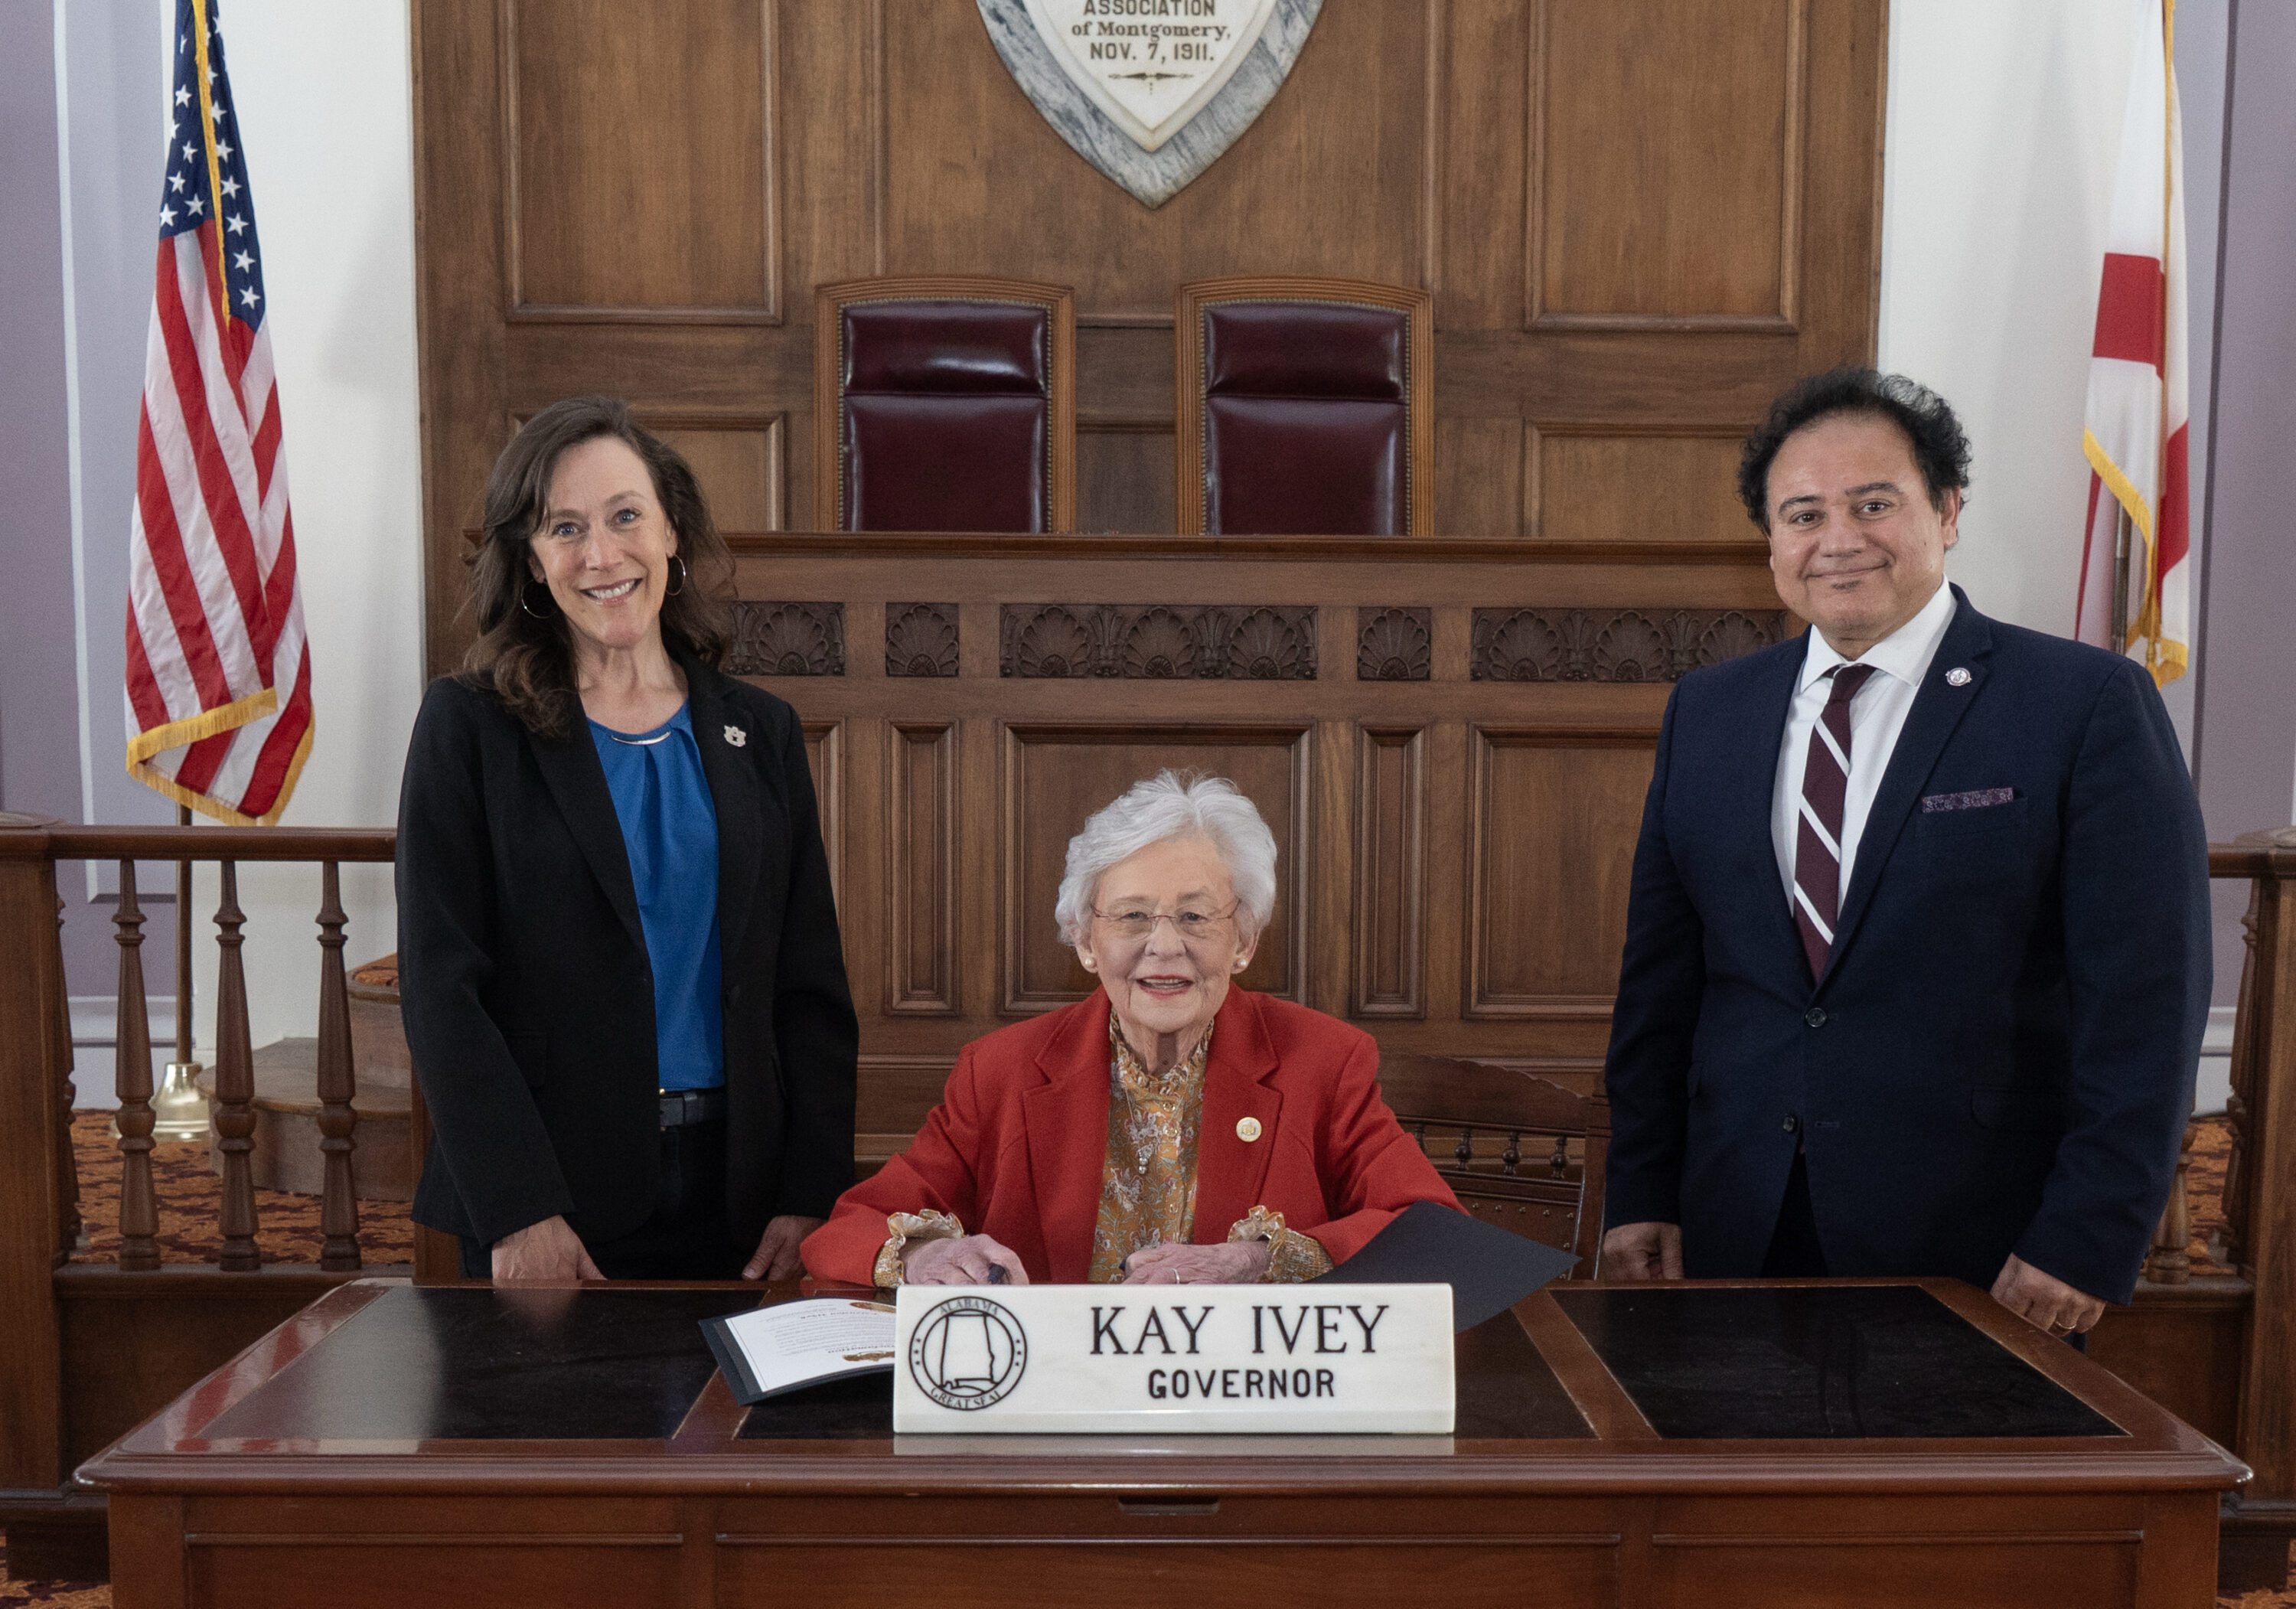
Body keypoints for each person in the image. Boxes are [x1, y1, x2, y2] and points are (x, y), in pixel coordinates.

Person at [1599, 368, 2210, 1341]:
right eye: (1803, 514)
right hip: (1736, 1228)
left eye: (1873, 503)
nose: (1838, 539)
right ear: (1771, 542)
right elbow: (1660, 991)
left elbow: (2146, 1002)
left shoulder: (2082, 704)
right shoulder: (1707, 713)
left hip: (1985, 1247)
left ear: (1949, 508)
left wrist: (2088, 1234)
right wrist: (1637, 1188)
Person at [396, 397, 857, 1283]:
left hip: (744, 1200)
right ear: (531, 560)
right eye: (563, 528)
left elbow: (810, 987)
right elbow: (442, 990)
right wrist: (518, 1206)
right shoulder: (468, 727)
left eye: (624, 516)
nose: (600, 554)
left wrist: (812, 1191)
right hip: (550, 1199)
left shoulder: (759, 731)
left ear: (672, 530)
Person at [802, 772, 1459, 1286]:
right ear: (1085, 940)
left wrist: (1262, 1262)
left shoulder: (1323, 1061)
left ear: (1245, 941)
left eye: (1197, 917)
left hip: (1242, 1403)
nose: (1165, 946)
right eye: (1132, 917)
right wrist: (926, 1256)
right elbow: (851, 1227)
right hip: (1048, 1405)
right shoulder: (999, 1070)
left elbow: (1435, 1232)